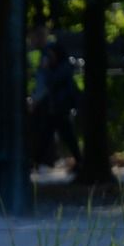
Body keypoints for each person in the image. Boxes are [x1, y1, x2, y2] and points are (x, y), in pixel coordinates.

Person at [29, 41, 81, 171]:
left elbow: (52, 81)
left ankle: (80, 161)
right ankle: (35, 162)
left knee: (65, 137)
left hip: (61, 109)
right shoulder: (56, 67)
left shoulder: (63, 67)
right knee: (46, 137)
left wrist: (45, 69)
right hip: (54, 109)